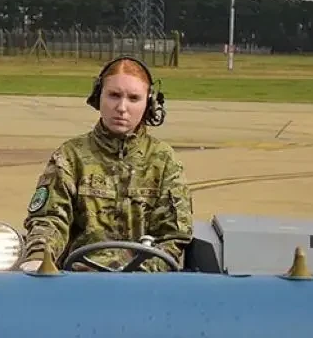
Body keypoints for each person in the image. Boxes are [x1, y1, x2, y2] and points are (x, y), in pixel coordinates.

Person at [19, 55, 193, 273]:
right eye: (114, 95)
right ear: (98, 96)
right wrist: (38, 257)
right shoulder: (70, 156)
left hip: (143, 282)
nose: (122, 107)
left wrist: (138, 272)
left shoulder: (164, 161)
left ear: (149, 104)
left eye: (133, 98)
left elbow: (173, 238)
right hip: (79, 280)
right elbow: (50, 219)